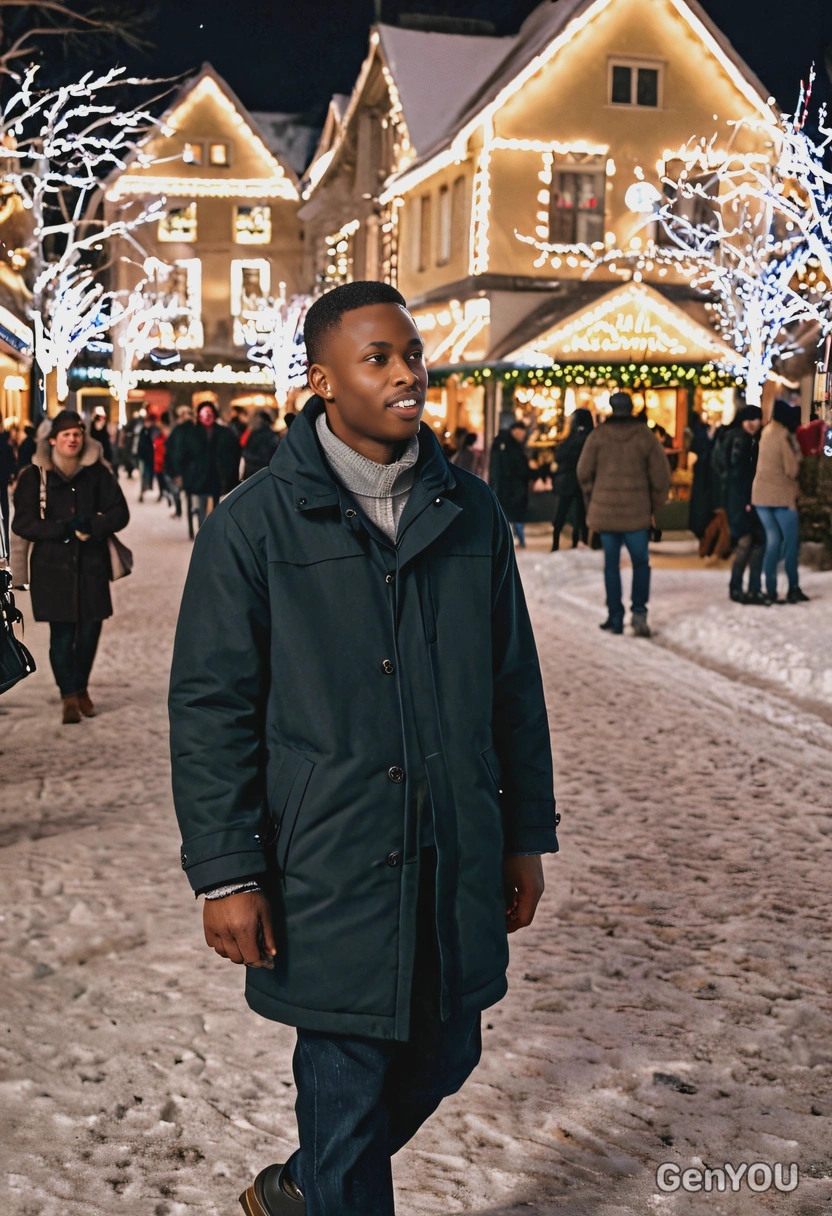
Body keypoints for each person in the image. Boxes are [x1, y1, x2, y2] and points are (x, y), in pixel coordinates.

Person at [168, 280, 558, 1216]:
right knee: (346, 1083)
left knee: (449, 1048)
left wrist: (523, 835)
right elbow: (211, 708)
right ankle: (330, 1183)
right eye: (377, 357)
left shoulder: (471, 512)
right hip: (328, 860)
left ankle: (305, 1187)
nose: (405, 373)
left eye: (411, 354)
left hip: (452, 843)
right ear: (322, 380)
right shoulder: (252, 524)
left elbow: (513, 684)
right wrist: (227, 873)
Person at [11, 410, 129, 724]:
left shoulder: (97, 472)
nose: (73, 439)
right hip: (51, 568)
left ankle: (81, 687)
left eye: (77, 434)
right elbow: (22, 523)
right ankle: (68, 695)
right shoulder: (34, 475)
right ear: (53, 440)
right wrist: (62, 528)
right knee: (62, 636)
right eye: (66, 435)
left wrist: (93, 524)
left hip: (91, 565)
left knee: (90, 632)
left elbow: (120, 513)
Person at [577, 390, 670, 637]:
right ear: (631, 408)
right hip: (637, 514)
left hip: (606, 514)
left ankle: (615, 616)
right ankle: (639, 614)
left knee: (611, 565)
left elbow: (583, 472)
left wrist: (594, 496)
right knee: (640, 563)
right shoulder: (645, 436)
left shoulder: (598, 436)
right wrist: (654, 505)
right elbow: (661, 475)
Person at [752, 399, 807, 604]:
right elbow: (792, 469)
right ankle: (793, 588)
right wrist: (798, 456)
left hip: (760, 496)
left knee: (773, 541)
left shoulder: (766, 433)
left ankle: (771, 589)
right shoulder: (783, 436)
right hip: (781, 497)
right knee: (791, 544)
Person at [718, 405, 765, 604]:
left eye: (757, 419)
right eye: (751, 419)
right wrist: (746, 501)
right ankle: (740, 587)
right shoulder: (741, 440)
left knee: (753, 542)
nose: (755, 423)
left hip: (740, 499)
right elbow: (740, 474)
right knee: (749, 542)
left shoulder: (736, 437)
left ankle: (748, 587)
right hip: (742, 500)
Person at [179, 400, 240, 529]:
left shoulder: (224, 432)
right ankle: (203, 533)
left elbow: (232, 453)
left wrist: (228, 473)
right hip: (198, 475)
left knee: (216, 508)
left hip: (217, 475)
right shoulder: (191, 433)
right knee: (201, 507)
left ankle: (212, 532)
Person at [488, 420, 538, 547]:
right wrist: (533, 472)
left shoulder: (503, 443)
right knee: (514, 515)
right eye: (522, 433)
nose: (523, 437)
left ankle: (514, 540)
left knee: (508, 515)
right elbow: (518, 468)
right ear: (516, 431)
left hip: (506, 488)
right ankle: (518, 540)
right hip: (512, 488)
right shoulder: (510, 446)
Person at [550, 408, 593, 551]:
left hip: (567, 480)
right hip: (582, 481)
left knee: (562, 512)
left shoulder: (571, 438)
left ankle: (556, 544)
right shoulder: (589, 437)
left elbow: (559, 456)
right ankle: (580, 542)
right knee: (581, 513)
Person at [241, 409, 280, 480]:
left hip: (252, 472)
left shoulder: (253, 434)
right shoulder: (271, 435)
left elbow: (246, 453)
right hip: (266, 473)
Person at [136, 413, 159, 502]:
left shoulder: (153, 431)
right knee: (143, 475)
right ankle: (142, 492)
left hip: (151, 457)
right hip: (144, 457)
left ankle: (148, 489)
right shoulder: (143, 430)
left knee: (151, 475)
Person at [0, 427, 16, 551]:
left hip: (3, 481)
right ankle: (5, 547)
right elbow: (12, 463)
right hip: (3, 481)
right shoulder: (6, 446)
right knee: (5, 513)